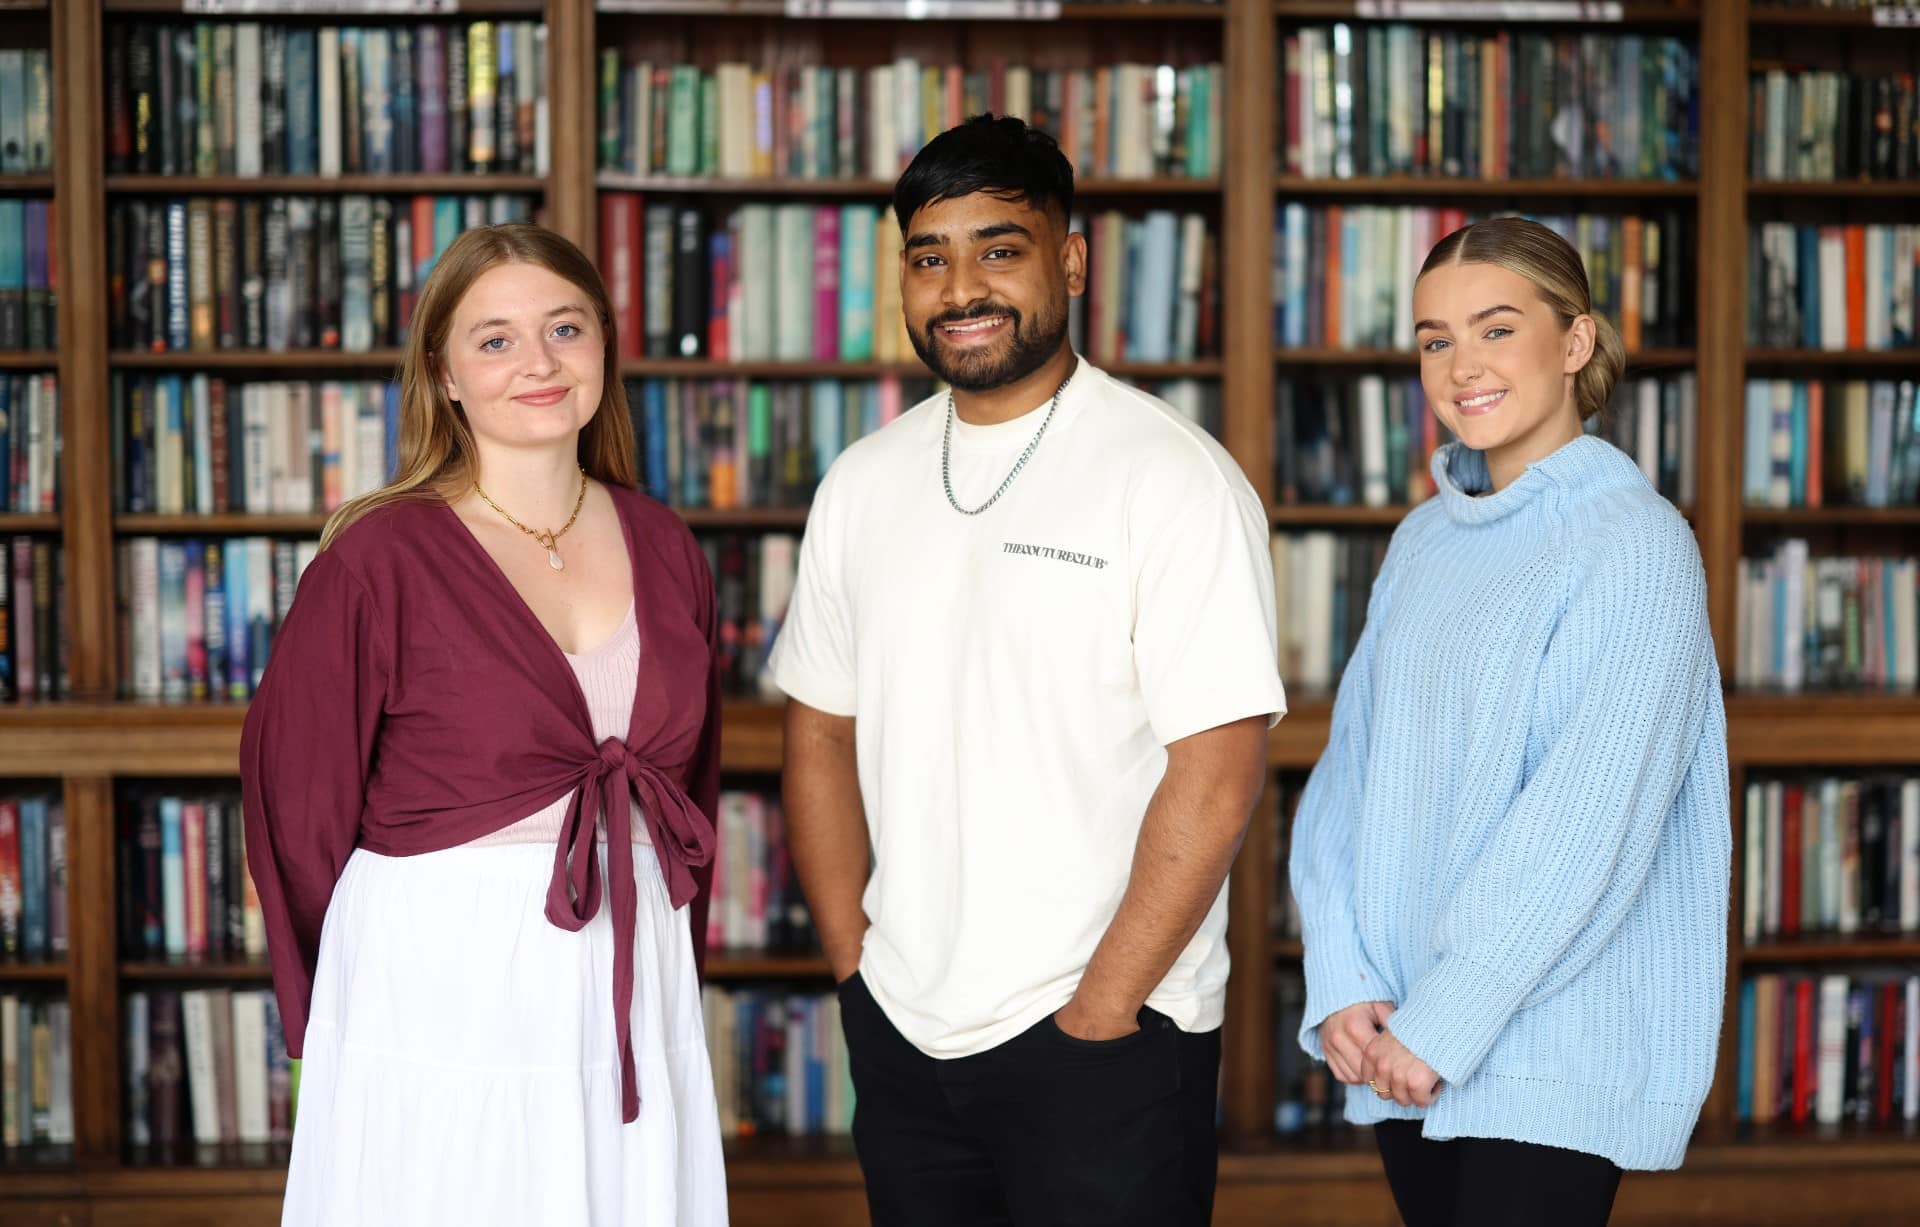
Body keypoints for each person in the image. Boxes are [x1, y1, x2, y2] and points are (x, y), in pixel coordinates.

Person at [766, 114, 1287, 1227]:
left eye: (999, 249)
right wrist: (858, 976)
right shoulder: (862, 483)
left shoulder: (1172, 478)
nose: (962, 287)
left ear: (1071, 260)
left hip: (1107, 1040)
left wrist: (1100, 1015)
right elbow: (816, 731)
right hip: (904, 1035)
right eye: (930, 255)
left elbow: (1219, 769)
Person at [240, 223, 728, 1226]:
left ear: (603, 348)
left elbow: (694, 797)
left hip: (630, 970)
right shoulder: (378, 558)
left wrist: (674, 958)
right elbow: (297, 807)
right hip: (440, 980)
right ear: (446, 374)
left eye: (564, 328)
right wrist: (340, 1013)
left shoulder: (667, 544)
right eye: (495, 339)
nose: (538, 363)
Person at [1290, 216, 1730, 1227]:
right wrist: (1344, 981)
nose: (1460, 366)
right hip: (1400, 1037)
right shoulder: (1422, 540)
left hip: (1541, 1051)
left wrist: (1444, 1024)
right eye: (1435, 339)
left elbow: (1586, 829)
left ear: (1574, 344)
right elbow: (1348, 780)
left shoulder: (1637, 546)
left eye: (1495, 329)